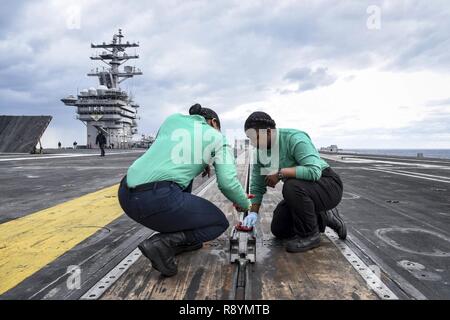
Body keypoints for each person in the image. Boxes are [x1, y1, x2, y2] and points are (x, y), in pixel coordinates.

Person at [118, 104, 250, 277]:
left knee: (183, 181)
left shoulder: (171, 121)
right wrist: (244, 203)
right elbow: (227, 183)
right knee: (218, 223)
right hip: (155, 200)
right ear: (214, 122)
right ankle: (162, 243)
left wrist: (200, 161)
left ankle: (180, 242)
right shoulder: (217, 137)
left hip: (126, 195)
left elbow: (167, 152)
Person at [243, 111, 346, 253]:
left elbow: (314, 171)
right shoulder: (259, 154)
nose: (253, 143)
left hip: (327, 185)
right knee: (279, 229)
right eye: (249, 138)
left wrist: (280, 173)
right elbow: (256, 186)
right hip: (302, 191)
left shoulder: (294, 138)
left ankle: (310, 235)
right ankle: (324, 216)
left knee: (291, 186)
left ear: (268, 132)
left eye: (255, 138)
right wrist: (253, 213)